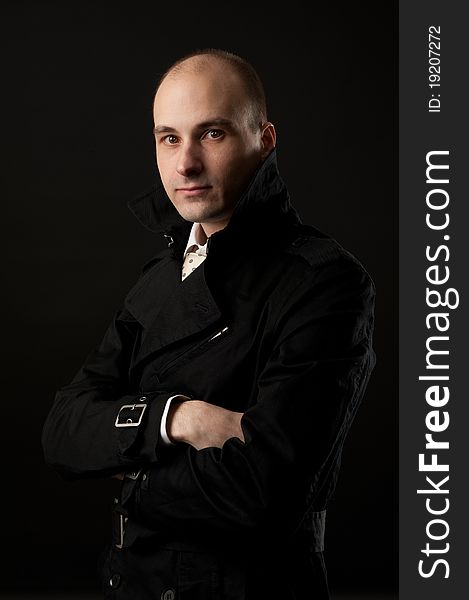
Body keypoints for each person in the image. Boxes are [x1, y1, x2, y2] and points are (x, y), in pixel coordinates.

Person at [42, 48, 376, 600]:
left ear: (264, 140)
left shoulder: (326, 283)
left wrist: (129, 470)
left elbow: (261, 491)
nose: (186, 164)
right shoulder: (158, 279)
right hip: (132, 583)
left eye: (213, 134)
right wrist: (179, 419)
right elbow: (62, 431)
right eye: (169, 138)